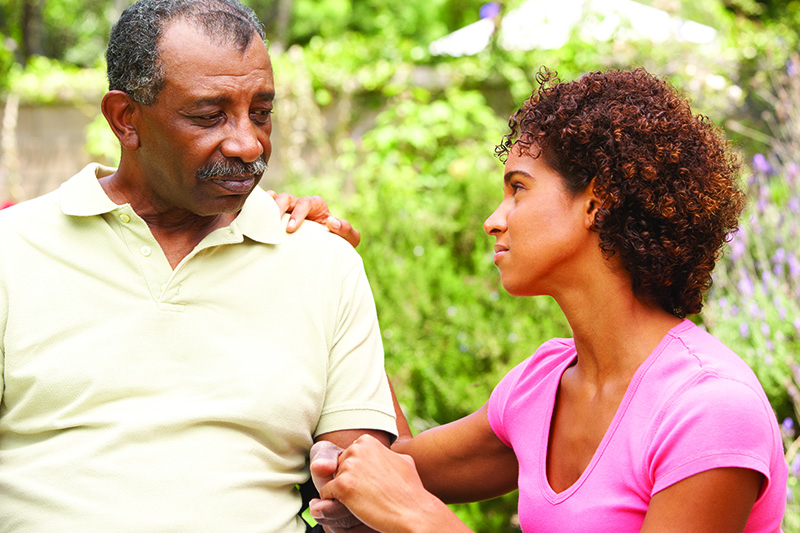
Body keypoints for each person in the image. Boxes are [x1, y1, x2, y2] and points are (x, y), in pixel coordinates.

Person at [307, 68, 788, 532]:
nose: (493, 220)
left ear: (597, 202)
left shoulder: (707, 409)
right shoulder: (542, 387)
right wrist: (339, 280)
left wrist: (421, 520)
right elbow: (390, 472)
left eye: (518, 188)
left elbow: (407, 502)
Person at [0, 0, 396, 531]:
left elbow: (364, 485)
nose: (247, 143)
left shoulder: (324, 262)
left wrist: (351, 500)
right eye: (209, 115)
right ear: (126, 119)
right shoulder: (14, 249)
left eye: (261, 112)